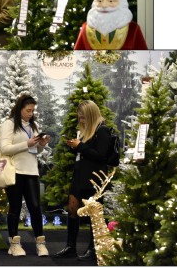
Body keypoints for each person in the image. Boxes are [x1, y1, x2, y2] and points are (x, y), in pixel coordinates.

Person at [53, 100, 115, 261]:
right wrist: (74, 147)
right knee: (72, 207)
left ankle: (94, 249)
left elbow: (101, 156)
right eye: (79, 117)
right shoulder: (86, 131)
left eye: (84, 117)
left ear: (91, 115)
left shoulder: (102, 131)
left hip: (94, 178)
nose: (81, 120)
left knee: (94, 213)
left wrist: (80, 146)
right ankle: (70, 247)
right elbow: (85, 153)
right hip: (80, 175)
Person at [0, 94, 50, 257]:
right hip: (14, 171)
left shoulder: (33, 126)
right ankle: (14, 244)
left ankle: (40, 243)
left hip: (31, 172)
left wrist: (41, 146)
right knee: (14, 208)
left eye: (33, 110)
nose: (30, 113)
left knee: (35, 208)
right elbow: (4, 149)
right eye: (28, 110)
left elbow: (34, 151)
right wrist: (26, 144)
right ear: (20, 108)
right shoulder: (9, 124)